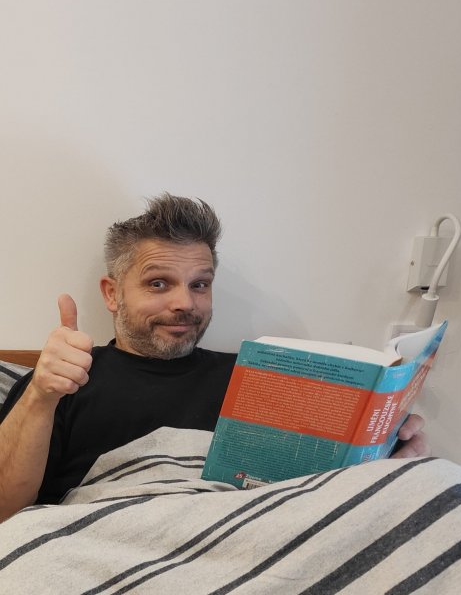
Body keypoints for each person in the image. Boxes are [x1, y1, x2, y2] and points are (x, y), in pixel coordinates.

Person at [0, 193, 430, 522]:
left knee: (439, 482)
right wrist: (41, 395)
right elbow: (4, 511)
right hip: (104, 541)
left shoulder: (258, 377)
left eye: (200, 285)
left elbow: (311, 500)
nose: (185, 303)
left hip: (242, 541)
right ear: (112, 294)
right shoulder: (62, 379)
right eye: (158, 283)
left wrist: (387, 465)